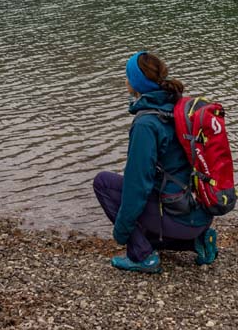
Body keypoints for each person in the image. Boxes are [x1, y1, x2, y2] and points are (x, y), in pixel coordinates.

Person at [92, 51, 218, 273]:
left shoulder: (146, 124)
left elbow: (137, 186)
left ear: (136, 84)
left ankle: (143, 257)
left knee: (103, 183)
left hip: (177, 217)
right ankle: (195, 241)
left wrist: (122, 233)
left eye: (127, 76)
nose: (125, 81)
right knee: (149, 195)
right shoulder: (177, 109)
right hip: (196, 213)